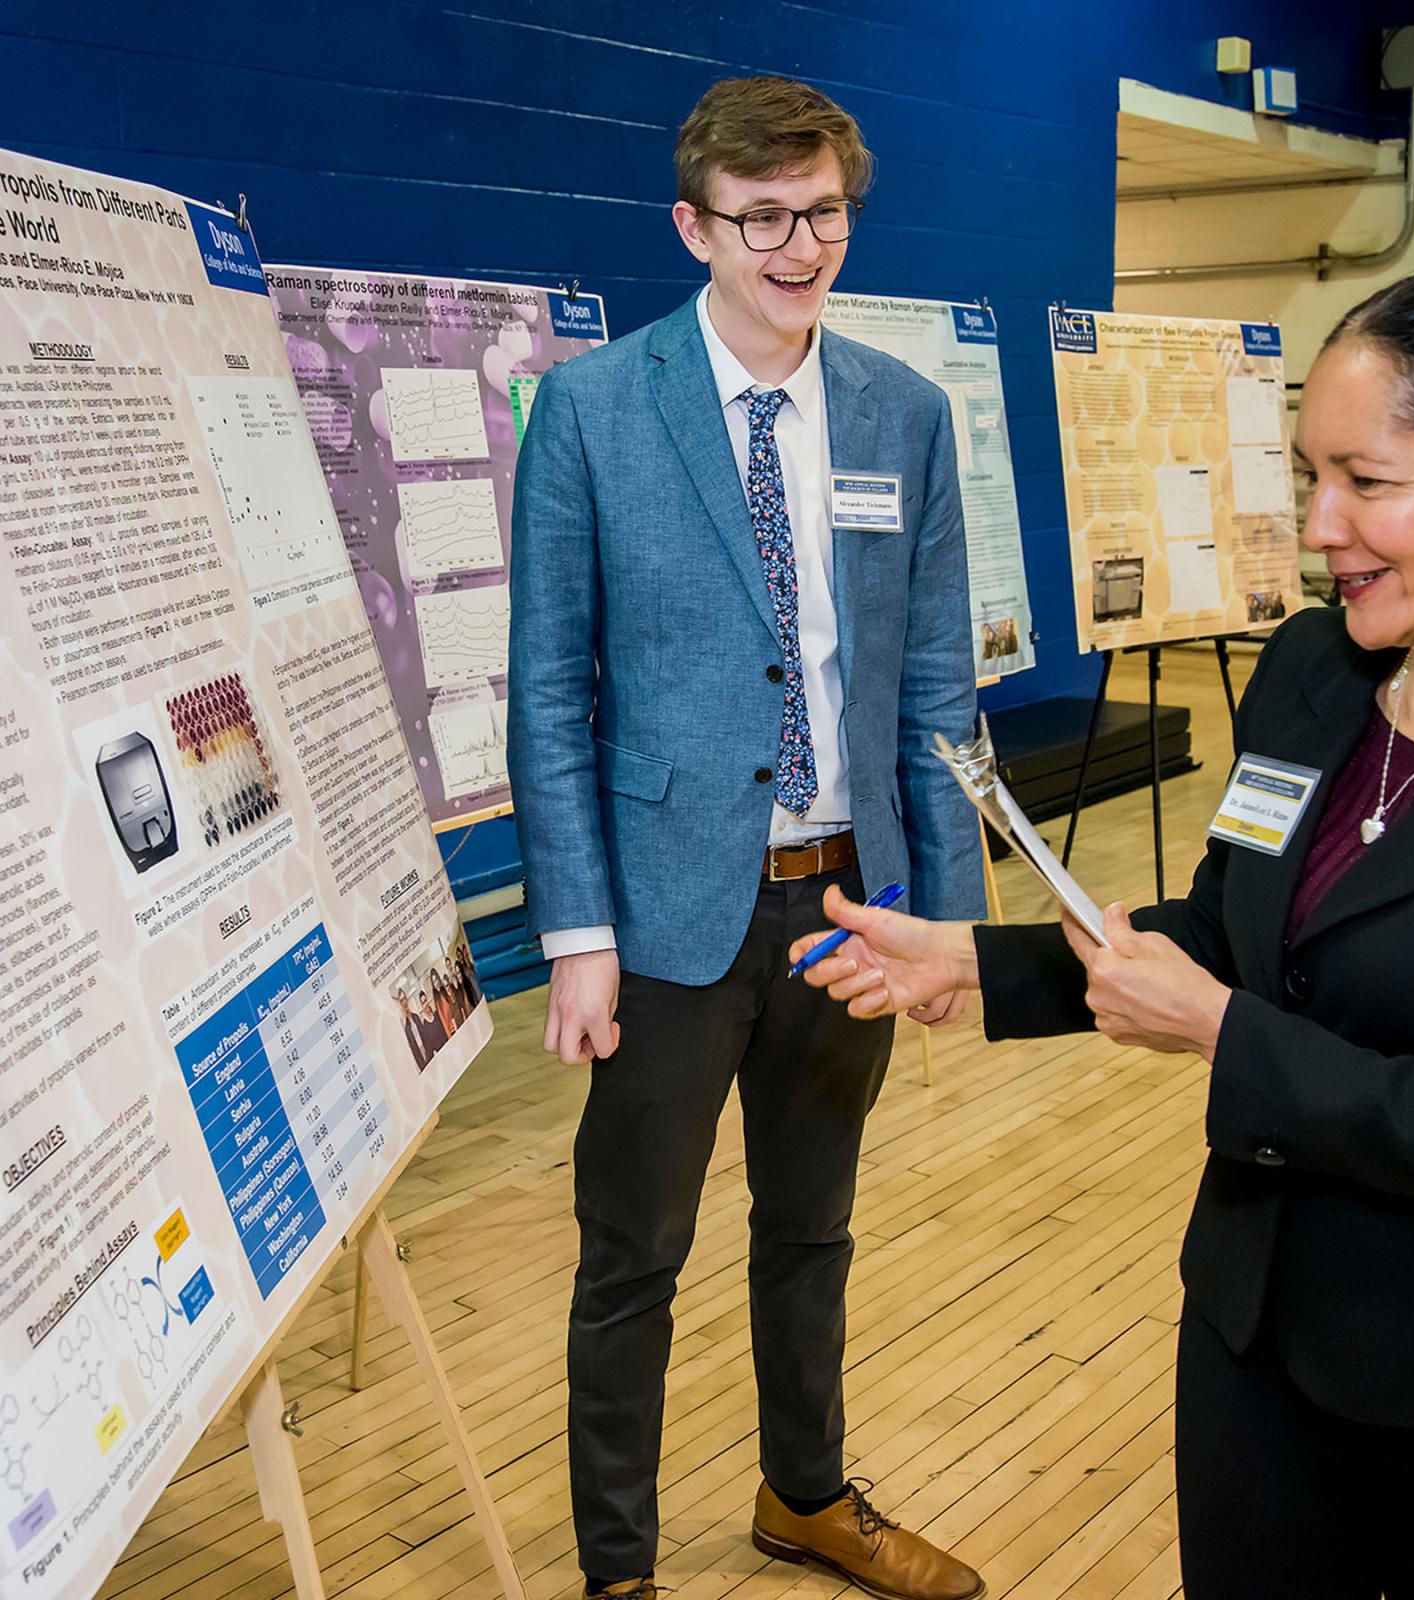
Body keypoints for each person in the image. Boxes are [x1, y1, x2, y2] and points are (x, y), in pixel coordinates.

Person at [791, 262, 1414, 1599]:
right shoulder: (1314, 673)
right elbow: (1233, 927)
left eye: (1370, 482)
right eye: (1306, 476)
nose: (1319, 524)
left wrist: (1230, 1040)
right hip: (1255, 1344)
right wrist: (976, 963)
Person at [506, 74, 986, 1600]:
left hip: (851, 901)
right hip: (661, 919)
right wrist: (575, 936)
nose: (799, 247)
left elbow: (932, 685)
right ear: (693, 225)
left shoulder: (904, 417)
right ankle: (618, 1570)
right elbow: (551, 691)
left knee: (814, 1226)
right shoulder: (593, 408)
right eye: (763, 218)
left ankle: (805, 1496)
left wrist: (957, 928)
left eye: (823, 213)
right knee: (632, 1254)